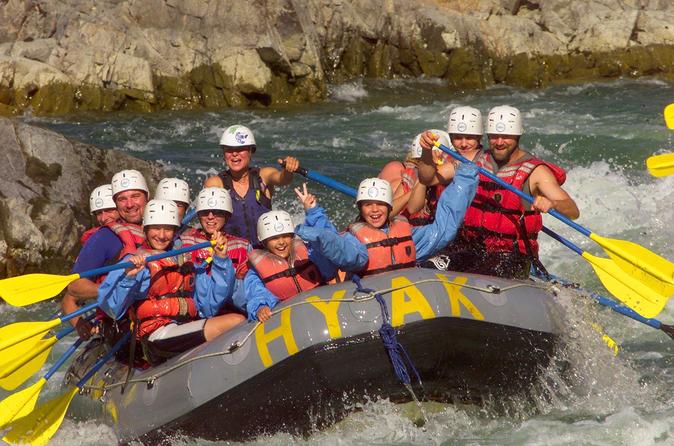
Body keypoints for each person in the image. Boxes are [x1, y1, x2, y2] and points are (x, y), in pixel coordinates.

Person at [422, 105, 580, 278]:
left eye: (506, 136)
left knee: (480, 274)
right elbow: (428, 179)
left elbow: (572, 210)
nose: (499, 142)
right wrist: (426, 152)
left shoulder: (535, 171)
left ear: (518, 136)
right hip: (471, 249)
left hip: (511, 256)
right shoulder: (472, 159)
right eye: (494, 136)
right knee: (428, 266)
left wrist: (552, 203)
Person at [97, 199, 245, 365]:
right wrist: (128, 278)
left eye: (167, 229)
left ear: (175, 231)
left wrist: (221, 259)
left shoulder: (185, 259)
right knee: (235, 321)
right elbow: (111, 308)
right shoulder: (133, 262)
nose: (161, 235)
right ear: (145, 229)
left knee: (237, 320)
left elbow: (209, 305)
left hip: (183, 326)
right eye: (155, 228)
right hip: (156, 336)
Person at [295, 166, 479, 278]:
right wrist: (316, 231)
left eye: (380, 205)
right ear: (360, 209)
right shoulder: (355, 240)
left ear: (391, 207)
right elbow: (341, 250)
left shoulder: (408, 234)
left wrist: (465, 178)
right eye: (368, 205)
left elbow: (443, 230)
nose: (374, 210)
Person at [62, 170, 149, 339]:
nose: (104, 217)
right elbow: (72, 290)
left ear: (147, 197)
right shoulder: (104, 237)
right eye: (122, 199)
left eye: (135, 196)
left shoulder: (163, 230)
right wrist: (111, 288)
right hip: (124, 327)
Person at [243, 184, 342, 322]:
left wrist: (313, 212)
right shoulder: (256, 271)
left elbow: (326, 237)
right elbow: (256, 293)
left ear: (293, 236)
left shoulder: (309, 253)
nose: (281, 242)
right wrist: (261, 307)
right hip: (290, 318)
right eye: (274, 238)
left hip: (322, 306)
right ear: (264, 242)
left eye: (285, 236)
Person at [203, 124, 301, 245]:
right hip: (231, 250)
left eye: (240, 149)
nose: (234, 154)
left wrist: (288, 169)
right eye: (229, 149)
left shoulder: (263, 176)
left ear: (251, 151)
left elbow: (282, 179)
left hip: (265, 251)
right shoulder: (215, 183)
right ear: (224, 153)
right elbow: (208, 220)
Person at [180, 187, 252, 311]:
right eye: (205, 212)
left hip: (233, 309)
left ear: (227, 215)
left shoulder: (243, 246)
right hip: (197, 312)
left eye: (217, 212)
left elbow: (248, 291)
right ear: (198, 215)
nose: (210, 217)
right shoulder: (185, 242)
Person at [378, 130, 452, 225]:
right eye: (420, 162)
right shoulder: (411, 177)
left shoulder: (448, 177)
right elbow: (388, 214)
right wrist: (414, 190)